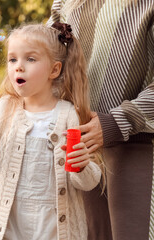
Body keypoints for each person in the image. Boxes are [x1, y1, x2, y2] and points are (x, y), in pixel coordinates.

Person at [0, 23, 101, 240]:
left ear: (54, 70)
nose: (18, 66)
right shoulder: (0, 111)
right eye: (12, 59)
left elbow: (88, 182)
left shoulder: (70, 116)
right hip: (7, 229)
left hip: (54, 231)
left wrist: (82, 165)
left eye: (30, 59)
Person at [47, 0, 154, 239]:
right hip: (79, 149)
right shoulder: (64, 2)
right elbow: (45, 55)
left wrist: (116, 122)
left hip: (139, 149)